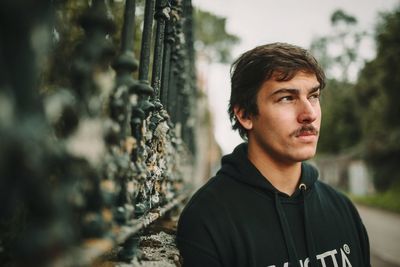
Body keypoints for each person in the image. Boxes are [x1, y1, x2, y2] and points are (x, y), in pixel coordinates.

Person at [176, 43, 370, 267]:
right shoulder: (207, 219)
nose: (309, 114)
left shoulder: (341, 207)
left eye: (314, 96)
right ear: (245, 115)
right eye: (287, 98)